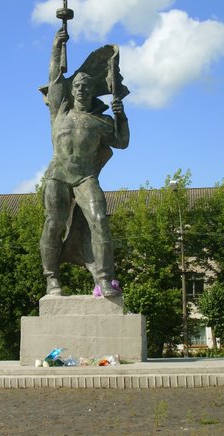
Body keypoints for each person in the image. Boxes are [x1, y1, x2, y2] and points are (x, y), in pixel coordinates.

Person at [40, 29, 130, 297]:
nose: (80, 89)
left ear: (92, 92)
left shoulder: (100, 122)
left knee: (100, 220)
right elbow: (55, 76)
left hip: (85, 177)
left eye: (86, 86)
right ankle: (51, 279)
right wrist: (57, 45)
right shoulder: (60, 111)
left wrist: (121, 117)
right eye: (77, 85)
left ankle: (104, 279)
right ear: (72, 89)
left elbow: (122, 142)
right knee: (53, 224)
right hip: (57, 175)